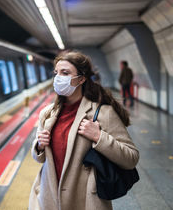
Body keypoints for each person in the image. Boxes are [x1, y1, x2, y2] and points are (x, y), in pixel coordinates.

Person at [29, 51, 139, 210]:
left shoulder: (102, 113)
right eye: (56, 73)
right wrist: (38, 146)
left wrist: (99, 137)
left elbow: (131, 158)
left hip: (85, 201)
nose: (58, 78)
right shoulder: (48, 114)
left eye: (65, 73)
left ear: (81, 79)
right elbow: (40, 158)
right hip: (49, 199)